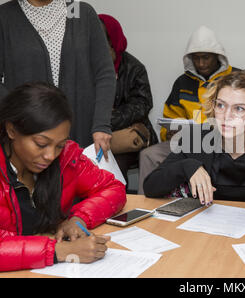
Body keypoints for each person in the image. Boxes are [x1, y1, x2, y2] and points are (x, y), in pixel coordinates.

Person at [143, 70, 245, 215]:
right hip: (206, 228)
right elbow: (151, 187)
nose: (227, 116)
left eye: (239, 108)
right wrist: (186, 166)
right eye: (221, 105)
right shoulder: (196, 137)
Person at [0, 83, 126, 272]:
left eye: (59, 145)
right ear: (11, 131)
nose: (50, 155)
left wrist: (78, 219)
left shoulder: (67, 158)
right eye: (41, 144)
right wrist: (61, 251)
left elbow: (113, 188)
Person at [0, 0, 115, 160]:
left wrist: (101, 125)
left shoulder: (82, 13)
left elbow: (105, 74)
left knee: (76, 183)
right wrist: (20, 115)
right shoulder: (5, 16)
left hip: (81, 130)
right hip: (29, 136)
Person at [138, 25, 239, 194]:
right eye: (196, 58)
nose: (201, 63)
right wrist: (168, 133)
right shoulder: (182, 83)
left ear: (217, 56)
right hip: (185, 142)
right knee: (148, 154)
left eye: (205, 57)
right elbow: (170, 117)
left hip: (221, 142)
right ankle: (145, 208)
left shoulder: (236, 78)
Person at [98, 14, 158, 183]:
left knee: (113, 163)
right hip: (96, 132)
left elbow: (142, 104)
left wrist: (106, 118)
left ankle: (119, 205)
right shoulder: (86, 65)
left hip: (128, 135)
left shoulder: (134, 68)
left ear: (113, 40)